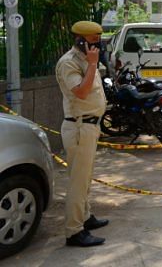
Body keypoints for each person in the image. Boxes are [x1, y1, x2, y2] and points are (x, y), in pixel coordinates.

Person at [55, 21, 110, 247]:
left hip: (90, 126)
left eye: (98, 40)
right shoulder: (69, 63)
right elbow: (82, 91)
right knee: (78, 182)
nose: (97, 45)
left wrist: (92, 63)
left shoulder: (86, 60)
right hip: (79, 128)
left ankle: (85, 217)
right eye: (93, 41)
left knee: (85, 178)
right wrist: (93, 63)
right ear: (80, 40)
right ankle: (74, 231)